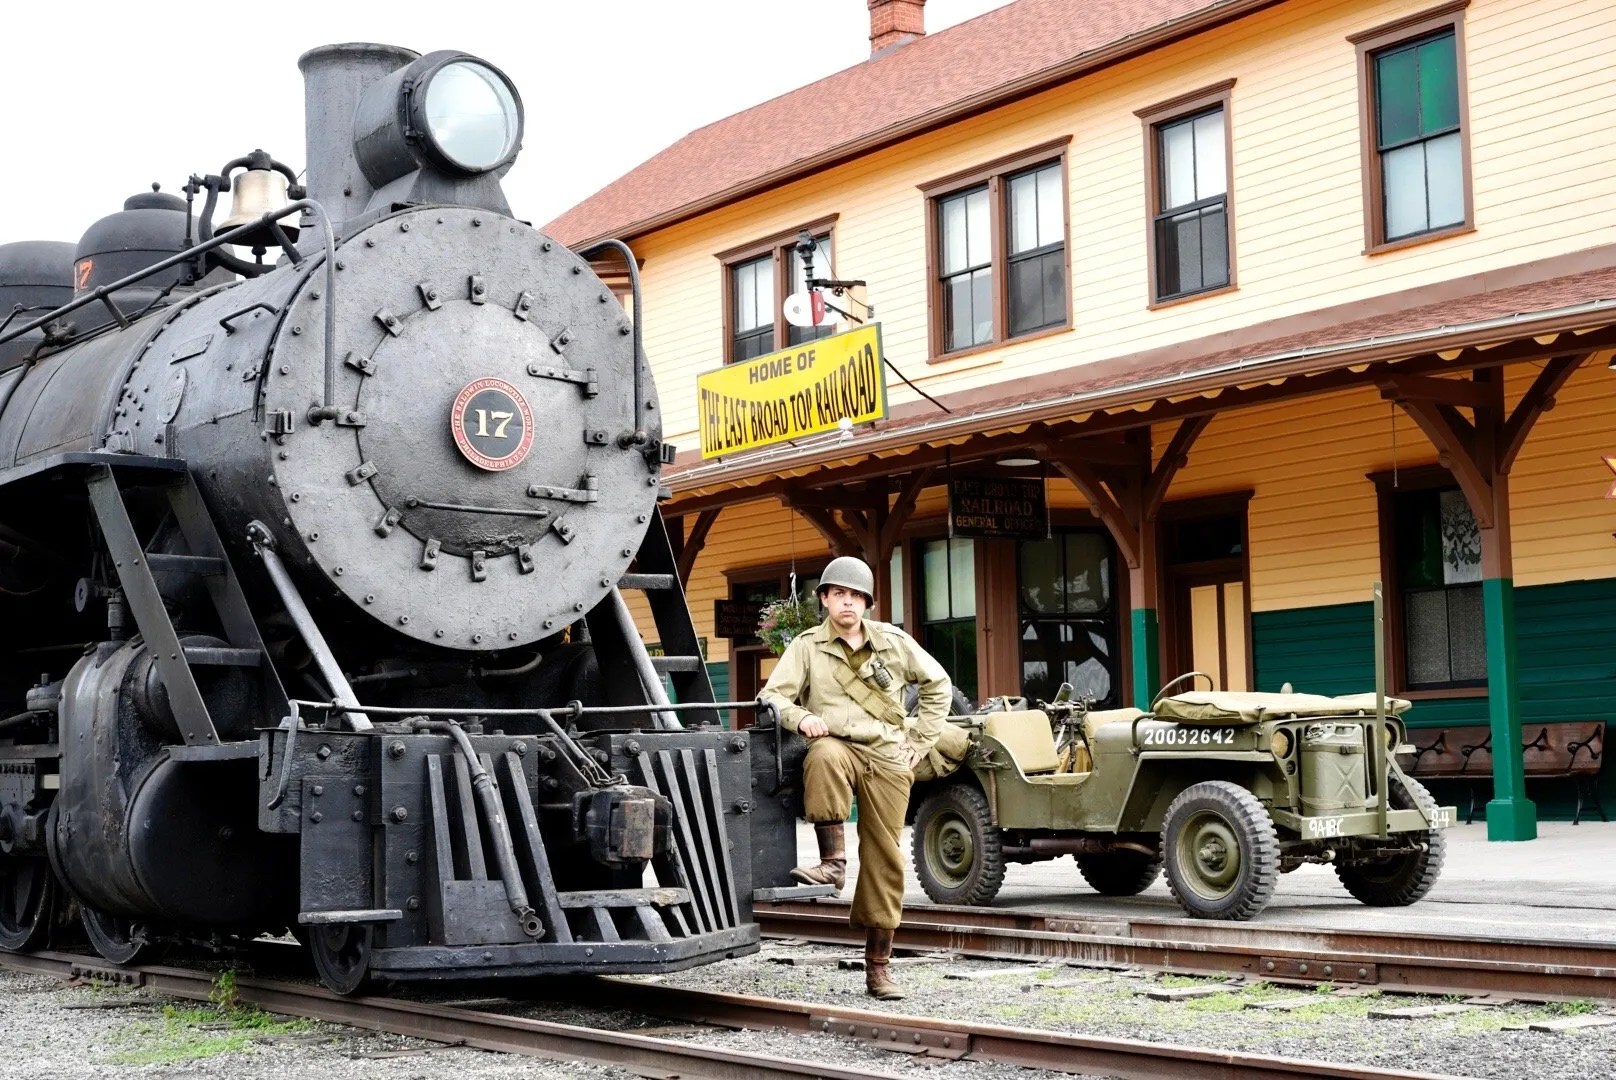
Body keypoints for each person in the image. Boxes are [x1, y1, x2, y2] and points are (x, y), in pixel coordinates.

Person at [759, 555, 952, 1000]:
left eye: (856, 596)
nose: (847, 603)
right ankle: (833, 863)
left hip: (887, 753)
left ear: (866, 603)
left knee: (887, 857)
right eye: (839, 594)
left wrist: (920, 741)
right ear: (825, 599)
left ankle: (878, 968)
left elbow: (937, 685)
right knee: (822, 755)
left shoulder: (893, 641)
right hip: (838, 744)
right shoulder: (807, 646)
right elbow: (773, 695)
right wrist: (801, 716)